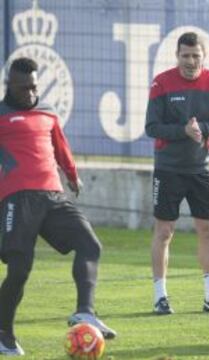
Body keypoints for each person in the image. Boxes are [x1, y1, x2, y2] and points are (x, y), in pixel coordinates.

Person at [0, 57, 116, 356]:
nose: (29, 93)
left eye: (34, 87)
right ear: (9, 86)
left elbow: (60, 146)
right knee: (19, 269)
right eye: (23, 88)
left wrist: (73, 176)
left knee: (90, 244)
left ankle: (84, 312)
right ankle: (3, 333)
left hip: (53, 195)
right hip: (17, 198)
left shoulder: (47, 112)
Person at [145, 32, 209, 315]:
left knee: (208, 230)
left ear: (203, 56)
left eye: (196, 55)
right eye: (185, 55)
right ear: (177, 55)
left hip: (201, 170)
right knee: (164, 232)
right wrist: (183, 131)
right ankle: (160, 297)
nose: (191, 61)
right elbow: (152, 127)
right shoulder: (161, 83)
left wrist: (203, 129)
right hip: (168, 169)